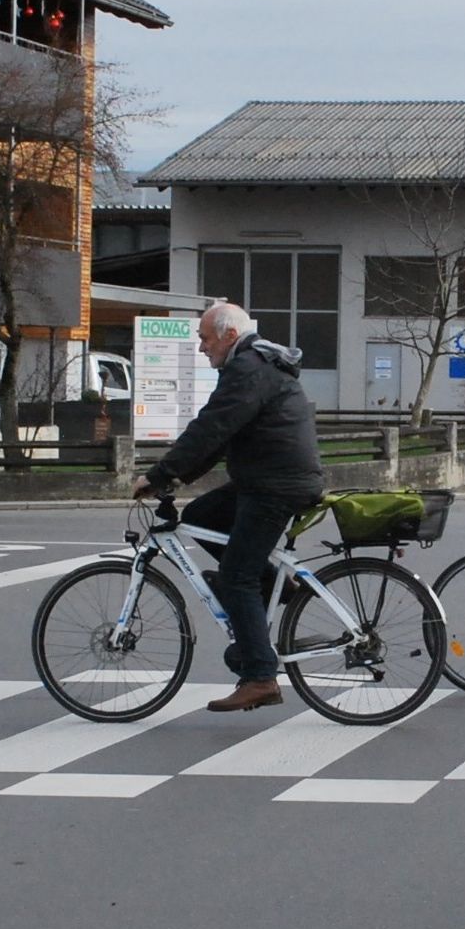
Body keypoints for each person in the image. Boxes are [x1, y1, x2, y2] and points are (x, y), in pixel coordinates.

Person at [136, 301, 324, 712]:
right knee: (201, 515)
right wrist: (173, 477)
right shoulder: (252, 366)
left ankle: (260, 677)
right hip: (270, 479)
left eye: (204, 338)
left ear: (229, 336)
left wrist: (158, 475)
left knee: (236, 575)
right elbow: (217, 437)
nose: (201, 347)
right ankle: (275, 582)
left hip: (276, 486)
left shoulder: (249, 369)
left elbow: (212, 427)